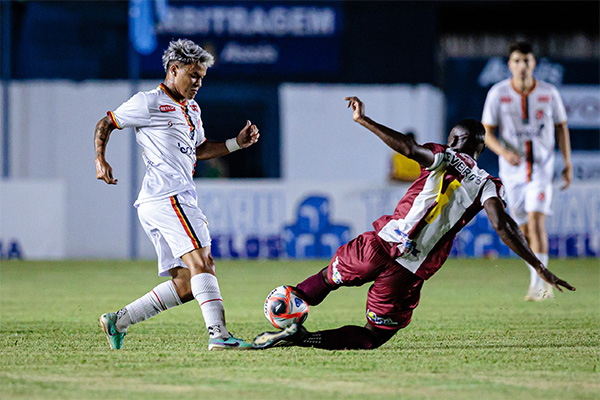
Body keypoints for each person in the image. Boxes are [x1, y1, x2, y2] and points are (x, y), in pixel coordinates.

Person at [251, 96, 575, 351]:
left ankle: (290, 304)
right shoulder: (489, 184)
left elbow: (407, 148)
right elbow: (503, 226)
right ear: (480, 148)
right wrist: (537, 265)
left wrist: (363, 119)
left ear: (453, 138)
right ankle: (301, 339)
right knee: (373, 335)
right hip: (409, 269)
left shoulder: (442, 154)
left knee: (327, 277)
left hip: (378, 245)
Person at [94, 39, 260, 350]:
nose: (198, 83)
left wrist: (236, 143)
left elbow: (199, 149)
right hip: (168, 196)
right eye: (193, 75)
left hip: (166, 200)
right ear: (174, 69)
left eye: (202, 77)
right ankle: (220, 336)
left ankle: (119, 320)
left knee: (186, 284)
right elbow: (107, 122)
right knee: (204, 262)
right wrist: (100, 158)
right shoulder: (149, 102)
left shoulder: (192, 109)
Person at [481, 41, 572, 301]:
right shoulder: (498, 94)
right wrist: (503, 152)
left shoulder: (548, 92)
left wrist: (567, 163)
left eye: (527, 60)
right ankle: (537, 280)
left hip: (542, 168)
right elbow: (487, 132)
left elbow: (561, 127)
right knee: (522, 231)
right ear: (509, 64)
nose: (522, 66)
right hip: (512, 172)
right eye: (517, 61)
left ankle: (539, 287)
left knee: (536, 222)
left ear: (534, 64)